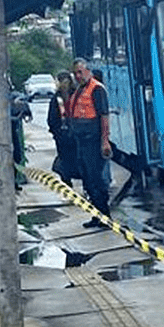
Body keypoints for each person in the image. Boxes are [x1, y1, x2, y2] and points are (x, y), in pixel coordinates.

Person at [66, 58, 112, 228]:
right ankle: (96, 215)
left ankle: (105, 216)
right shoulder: (79, 89)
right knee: (87, 180)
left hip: (93, 142)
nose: (78, 76)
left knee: (96, 180)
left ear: (88, 71)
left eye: (80, 72)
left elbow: (104, 116)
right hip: (82, 142)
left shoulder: (97, 89)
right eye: (75, 73)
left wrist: (105, 141)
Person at [47, 71, 79, 186]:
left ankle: (72, 181)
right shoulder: (57, 98)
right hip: (63, 136)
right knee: (65, 160)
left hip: (74, 134)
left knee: (76, 159)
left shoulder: (76, 95)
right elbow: (52, 118)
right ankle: (67, 182)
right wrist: (56, 132)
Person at [9, 89, 32, 189]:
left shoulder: (21, 105)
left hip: (14, 132)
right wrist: (17, 116)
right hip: (6, 133)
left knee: (17, 156)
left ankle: (14, 180)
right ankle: (12, 181)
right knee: (11, 156)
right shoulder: (8, 105)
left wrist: (24, 113)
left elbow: (28, 116)